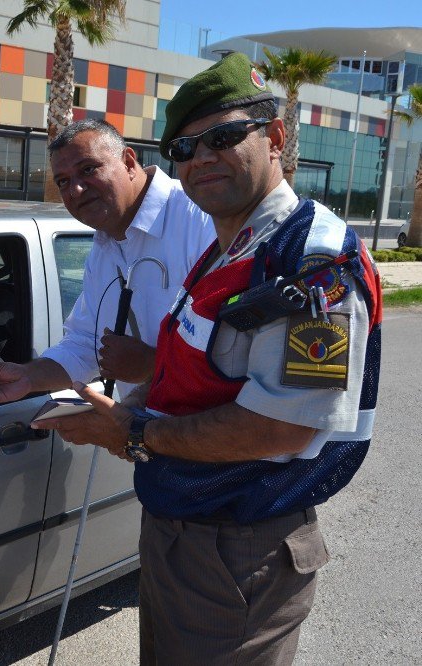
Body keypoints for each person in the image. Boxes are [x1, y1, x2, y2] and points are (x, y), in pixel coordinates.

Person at [47, 52, 383, 664]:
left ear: (275, 137)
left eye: (223, 137)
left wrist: (128, 432)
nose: (200, 159)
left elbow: (281, 424)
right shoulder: (227, 251)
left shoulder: (313, 261)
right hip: (188, 535)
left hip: (241, 549)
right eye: (183, 148)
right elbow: (188, 376)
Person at [0, 119, 214, 406]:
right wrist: (27, 377)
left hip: (210, 438)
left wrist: (154, 365)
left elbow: (236, 351)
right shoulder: (105, 244)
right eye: (63, 181)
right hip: (150, 437)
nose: (75, 190)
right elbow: (85, 344)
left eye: (88, 169)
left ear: (127, 162)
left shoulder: (202, 217)